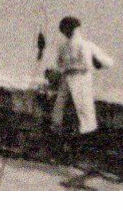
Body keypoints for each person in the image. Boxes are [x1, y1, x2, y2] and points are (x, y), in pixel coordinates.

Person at [47, 16, 115, 151]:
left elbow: (60, 66)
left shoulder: (65, 46)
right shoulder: (85, 45)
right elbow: (106, 63)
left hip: (69, 85)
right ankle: (81, 153)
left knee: (65, 118)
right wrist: (97, 64)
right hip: (79, 84)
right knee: (85, 120)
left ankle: (68, 150)